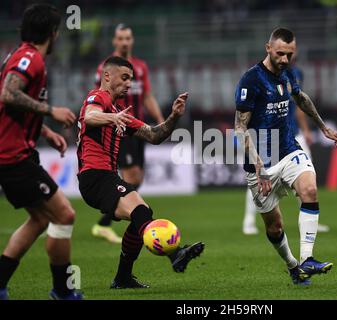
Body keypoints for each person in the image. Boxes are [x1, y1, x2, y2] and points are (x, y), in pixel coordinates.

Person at [77, 56, 204, 289]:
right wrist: (112, 118)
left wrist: (174, 117)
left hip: (106, 176)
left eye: (131, 80)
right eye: (124, 78)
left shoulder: (120, 112)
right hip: (94, 177)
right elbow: (89, 116)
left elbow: (155, 135)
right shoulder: (99, 96)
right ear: (107, 76)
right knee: (140, 212)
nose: (129, 84)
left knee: (141, 215)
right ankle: (175, 253)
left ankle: (124, 278)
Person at [234, 28, 337, 285]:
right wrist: (259, 166)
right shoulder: (251, 79)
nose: (284, 59)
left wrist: (322, 126)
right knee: (275, 227)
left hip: (288, 149)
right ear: (268, 48)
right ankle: (294, 266)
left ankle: (307, 259)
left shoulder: (288, 73)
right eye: (280, 53)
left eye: (289, 55)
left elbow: (300, 98)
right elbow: (240, 128)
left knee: (310, 190)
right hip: (260, 161)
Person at [0, 4, 82, 300]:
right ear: (53, 33)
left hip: (17, 151)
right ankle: (63, 290)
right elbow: (8, 95)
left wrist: (44, 131)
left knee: (40, 219)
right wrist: (52, 111)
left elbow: (10, 108)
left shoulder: (21, 55)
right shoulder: (29, 58)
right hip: (13, 157)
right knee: (64, 214)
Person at [91, 24, 165, 244]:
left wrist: (160, 121)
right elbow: (98, 96)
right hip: (118, 128)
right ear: (115, 41)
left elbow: (148, 96)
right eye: (121, 38)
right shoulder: (106, 68)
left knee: (138, 178)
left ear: (132, 41)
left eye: (128, 38)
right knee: (131, 177)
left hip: (137, 128)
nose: (124, 42)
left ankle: (113, 217)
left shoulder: (140, 67)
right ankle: (107, 222)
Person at [242, 63, 330, 235]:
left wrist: (305, 130)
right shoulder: (259, 77)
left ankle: (309, 218)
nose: (286, 57)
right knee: (259, 177)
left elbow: (298, 104)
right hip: (271, 137)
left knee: (306, 176)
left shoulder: (294, 73)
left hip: (292, 135)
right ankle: (249, 220)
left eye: (290, 52)